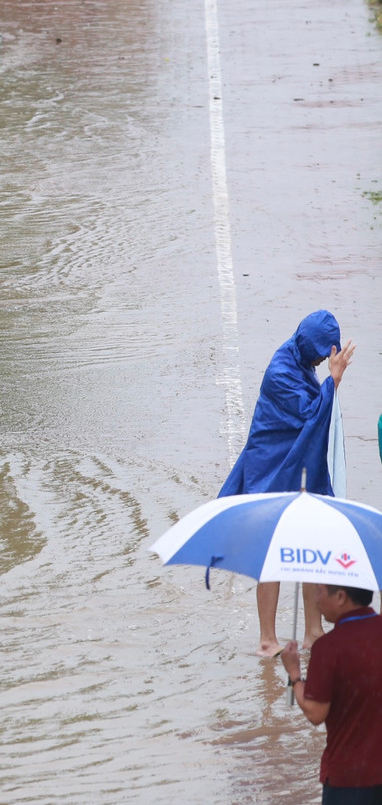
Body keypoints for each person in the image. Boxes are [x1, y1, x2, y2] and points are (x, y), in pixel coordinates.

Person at [221, 310, 356, 655]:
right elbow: (312, 415)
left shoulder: (300, 362)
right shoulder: (281, 372)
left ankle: (313, 631)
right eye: (322, 355)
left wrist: (328, 380)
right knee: (271, 554)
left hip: (297, 468)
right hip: (270, 471)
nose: (323, 361)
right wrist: (334, 381)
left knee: (309, 550)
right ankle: (267, 639)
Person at [279, 583, 382, 803]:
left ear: (341, 597)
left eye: (320, 592)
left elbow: (315, 713)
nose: (316, 600)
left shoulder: (329, 647)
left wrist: (295, 674)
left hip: (350, 778)